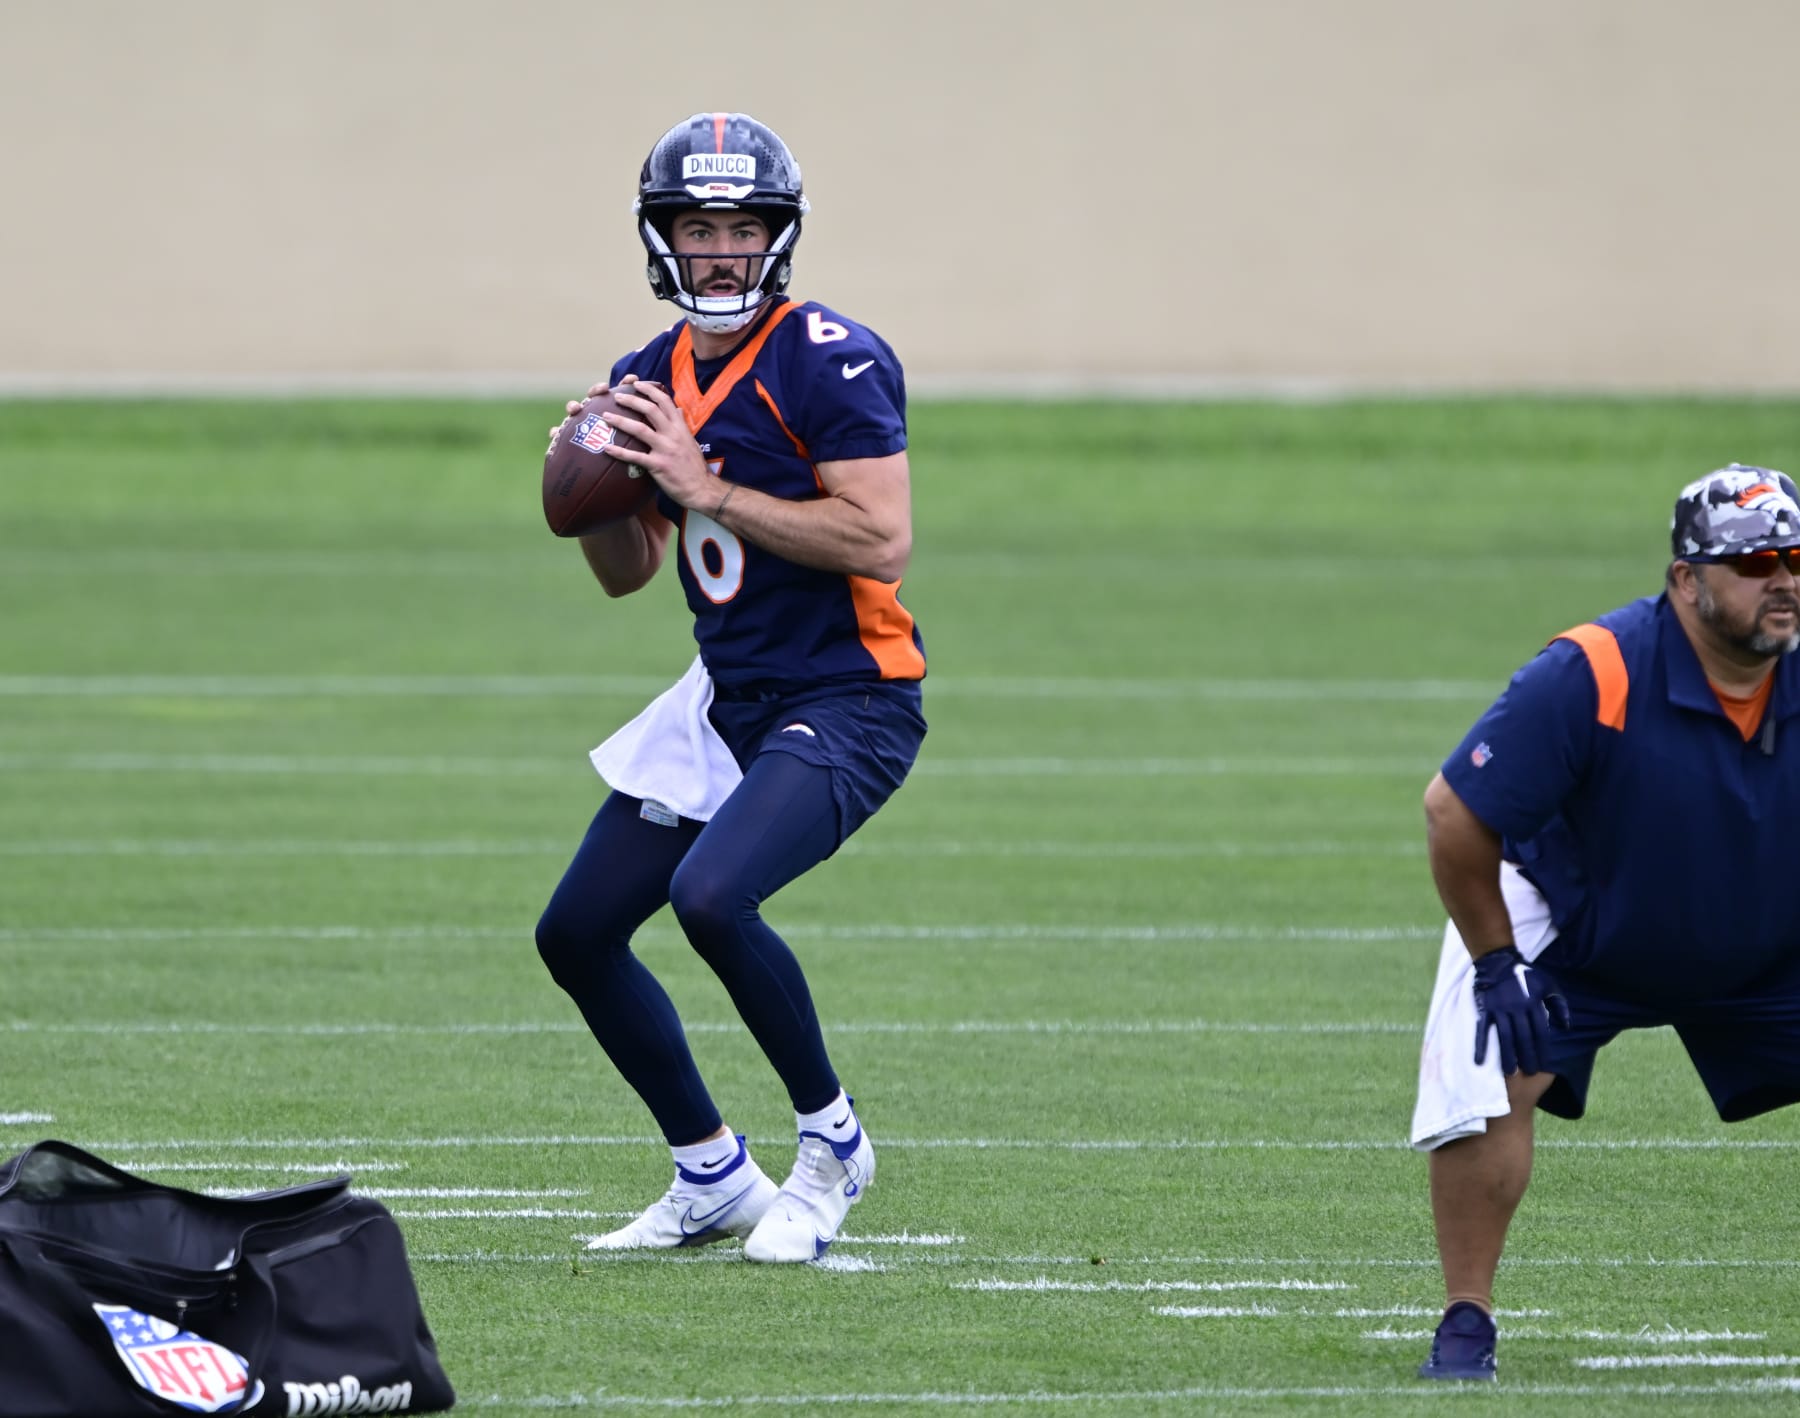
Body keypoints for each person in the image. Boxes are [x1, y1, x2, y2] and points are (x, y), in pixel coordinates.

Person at [533, 112, 926, 1263]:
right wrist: (586, 497)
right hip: (727, 696)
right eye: (697, 226)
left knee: (711, 897)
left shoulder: (832, 355)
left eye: (741, 226)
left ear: (778, 238)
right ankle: (710, 1169)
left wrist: (706, 482)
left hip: (849, 693)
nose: (719, 250)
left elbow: (881, 536)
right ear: (662, 240)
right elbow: (631, 574)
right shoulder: (645, 375)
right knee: (578, 931)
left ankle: (834, 1141)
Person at [1409, 462, 1800, 1378]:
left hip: (1760, 924)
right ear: (1686, 579)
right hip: (1580, 927)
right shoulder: (1596, 668)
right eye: (1754, 562)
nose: (1783, 579)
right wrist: (1498, 965)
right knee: (1483, 1067)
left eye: (1796, 557)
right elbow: (1453, 811)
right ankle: (1465, 1321)